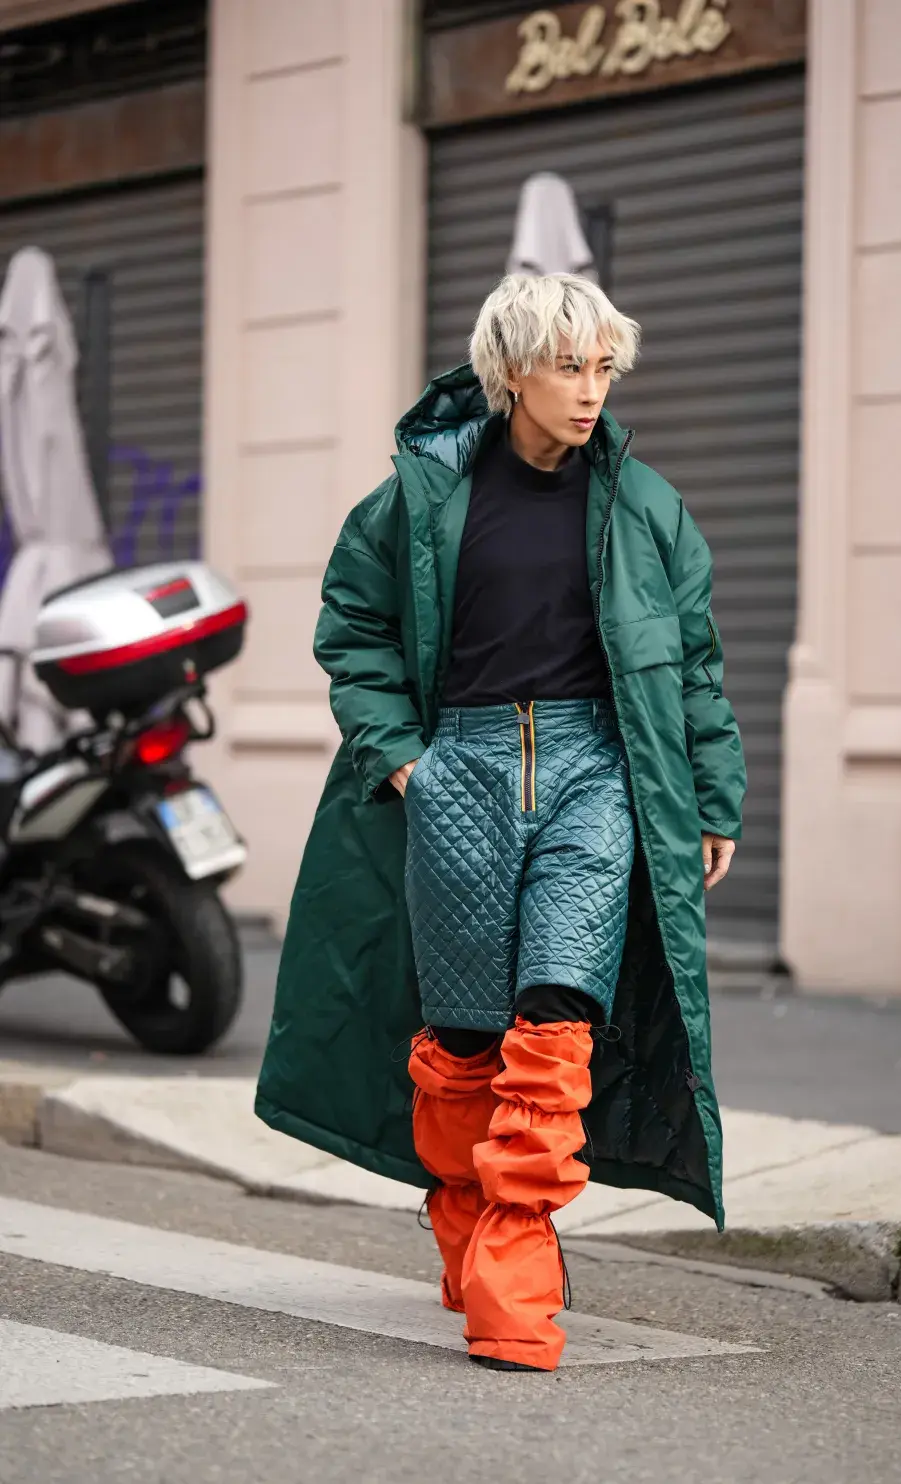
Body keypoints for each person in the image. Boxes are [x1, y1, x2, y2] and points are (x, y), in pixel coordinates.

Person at [256, 272, 746, 1373]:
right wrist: (405, 763)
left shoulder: (645, 506)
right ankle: (466, 1215)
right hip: (461, 771)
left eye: (604, 366)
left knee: (557, 1014)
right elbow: (354, 628)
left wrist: (713, 796)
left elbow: (698, 666)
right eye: (569, 365)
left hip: (595, 770)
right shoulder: (421, 496)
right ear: (510, 369)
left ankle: (516, 1269)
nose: (591, 390)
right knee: (467, 1033)